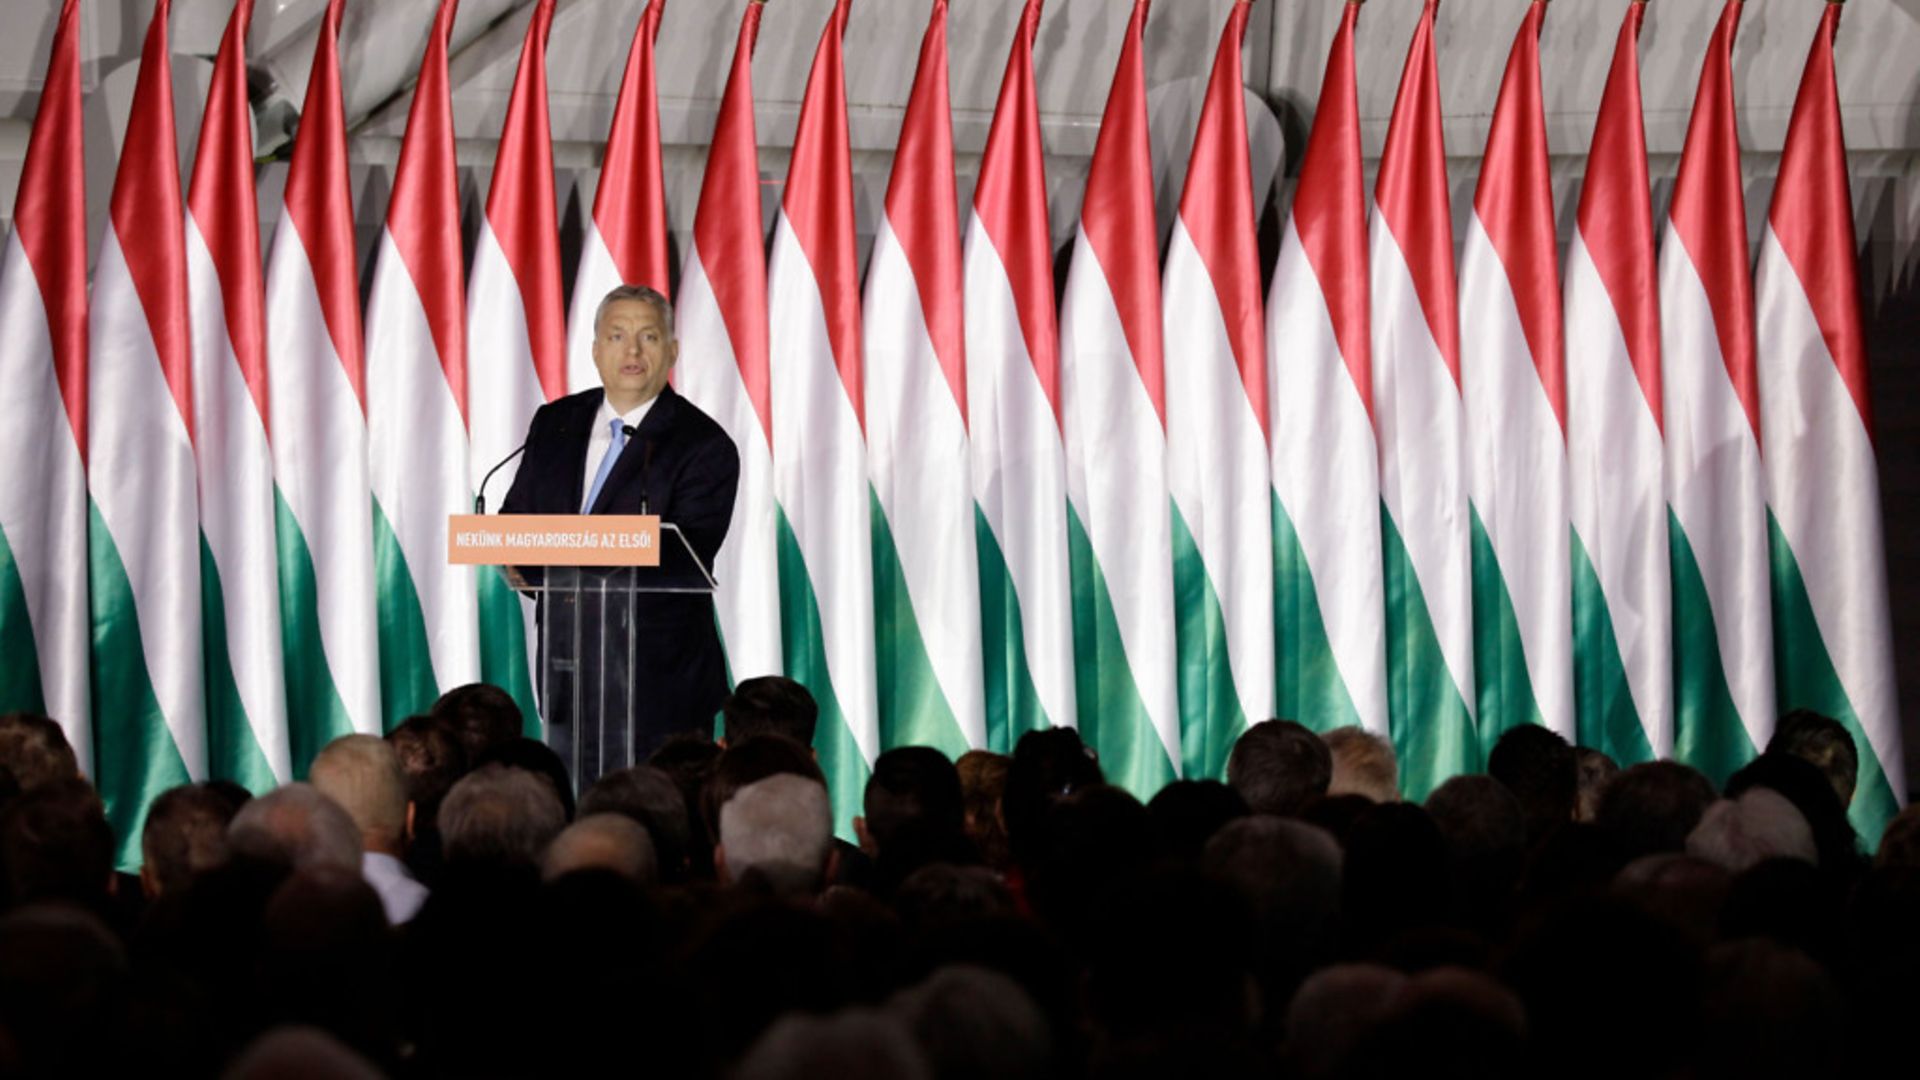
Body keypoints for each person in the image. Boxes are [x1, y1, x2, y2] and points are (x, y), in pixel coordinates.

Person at [500, 284, 741, 780]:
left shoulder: (703, 443)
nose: (631, 350)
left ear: (671, 351)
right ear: (595, 350)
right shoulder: (556, 422)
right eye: (616, 335)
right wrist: (517, 560)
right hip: (567, 667)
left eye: (648, 336)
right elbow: (515, 521)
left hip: (660, 683)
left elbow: (687, 555)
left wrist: (561, 553)